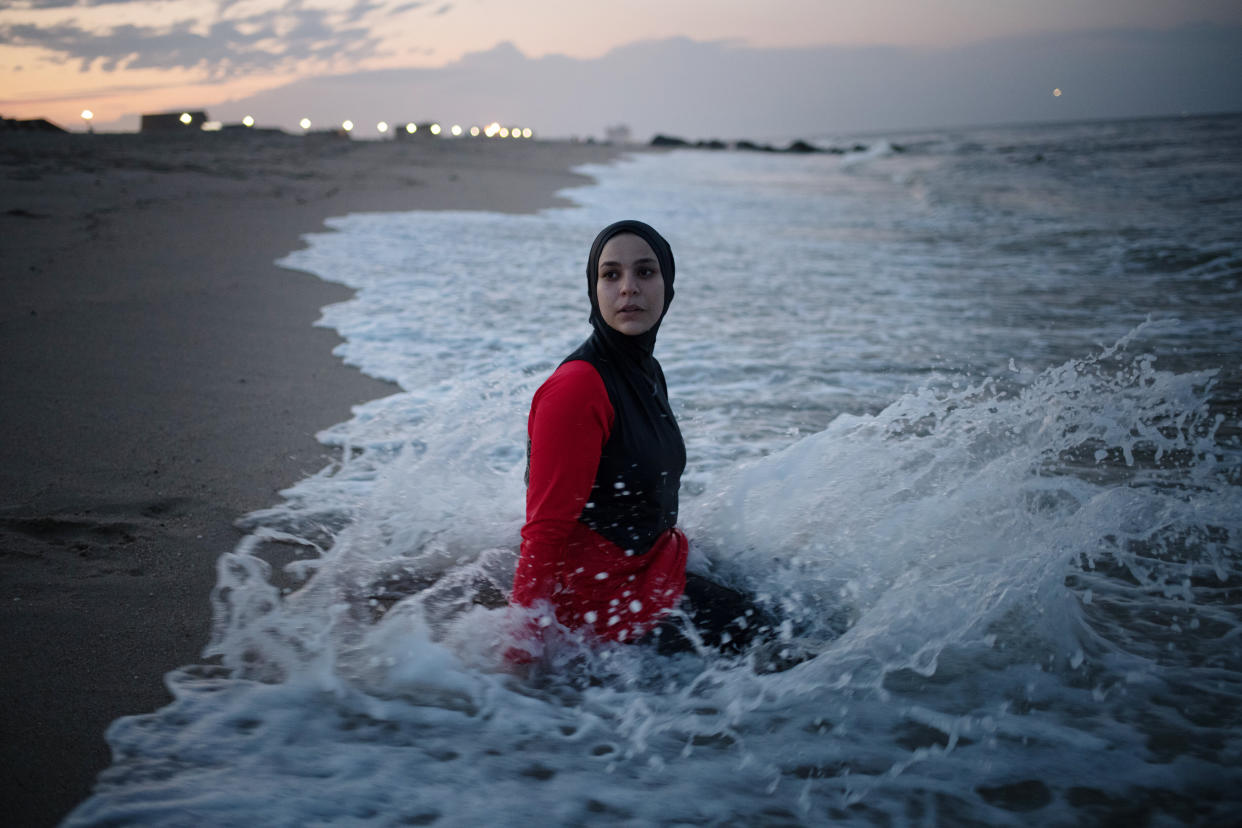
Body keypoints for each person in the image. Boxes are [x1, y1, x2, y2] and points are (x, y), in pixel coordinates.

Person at [509, 220, 774, 659]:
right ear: (593, 290)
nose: (628, 288)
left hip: (650, 574)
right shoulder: (578, 387)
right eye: (610, 274)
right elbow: (544, 533)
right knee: (781, 646)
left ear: (668, 286)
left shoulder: (645, 371)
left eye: (645, 272)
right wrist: (520, 656)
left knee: (787, 611)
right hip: (605, 613)